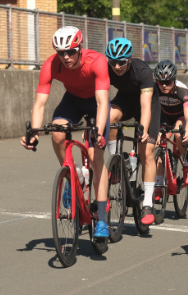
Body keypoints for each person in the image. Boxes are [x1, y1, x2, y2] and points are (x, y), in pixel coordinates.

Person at [21, 26, 111, 238]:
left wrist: (97, 131)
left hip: (96, 103)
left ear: (80, 48)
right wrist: (34, 132)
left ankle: (102, 220)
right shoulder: (51, 65)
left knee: (95, 156)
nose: (66, 57)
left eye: (71, 51)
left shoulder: (96, 61)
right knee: (57, 133)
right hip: (72, 101)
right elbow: (40, 103)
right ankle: (73, 174)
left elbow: (102, 101)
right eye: (61, 52)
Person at [104, 38, 160, 227]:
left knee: (146, 152)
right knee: (107, 119)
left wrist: (143, 129)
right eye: (113, 62)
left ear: (129, 59)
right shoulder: (106, 70)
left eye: (121, 62)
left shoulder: (142, 70)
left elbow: (145, 107)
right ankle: (117, 165)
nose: (117, 66)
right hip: (125, 100)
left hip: (147, 104)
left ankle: (147, 203)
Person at [154, 60, 188, 185]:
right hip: (164, 116)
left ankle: (186, 164)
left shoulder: (183, 91)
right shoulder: (153, 88)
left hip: (180, 116)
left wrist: (187, 133)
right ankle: (159, 181)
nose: (164, 86)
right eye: (161, 82)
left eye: (168, 82)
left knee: (178, 134)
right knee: (158, 143)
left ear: (174, 80)